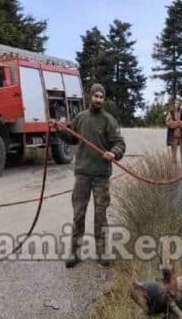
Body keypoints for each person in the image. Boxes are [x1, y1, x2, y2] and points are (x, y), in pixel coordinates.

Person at [49, 83, 126, 268]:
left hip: (101, 176)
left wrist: (114, 153)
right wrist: (60, 130)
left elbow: (120, 143)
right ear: (90, 97)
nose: (98, 99)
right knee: (78, 214)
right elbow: (72, 138)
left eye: (101, 97)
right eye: (95, 96)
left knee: (101, 216)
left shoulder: (109, 120)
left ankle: (102, 252)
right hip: (82, 175)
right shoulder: (81, 118)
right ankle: (75, 253)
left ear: (103, 99)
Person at [165, 98, 182, 164]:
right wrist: (176, 124)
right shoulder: (171, 112)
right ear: (174, 104)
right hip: (173, 135)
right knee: (174, 153)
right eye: (176, 103)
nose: (177, 105)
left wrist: (179, 123)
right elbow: (167, 122)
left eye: (178, 103)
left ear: (180, 105)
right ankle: (174, 166)